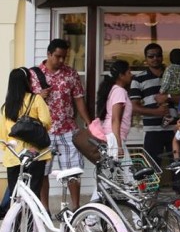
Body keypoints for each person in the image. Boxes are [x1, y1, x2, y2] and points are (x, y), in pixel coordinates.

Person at [31, 38, 92, 212]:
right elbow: (26, 102)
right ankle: (45, 209)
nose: (61, 60)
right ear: (49, 54)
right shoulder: (34, 74)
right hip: (44, 130)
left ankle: (76, 208)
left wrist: (89, 123)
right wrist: (39, 96)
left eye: (64, 57)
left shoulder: (70, 73)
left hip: (68, 129)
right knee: (43, 171)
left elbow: (79, 100)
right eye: (57, 56)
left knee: (73, 171)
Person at [0, 67, 52, 217]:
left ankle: (15, 229)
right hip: (35, 154)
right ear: (27, 81)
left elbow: (3, 137)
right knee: (34, 193)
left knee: (15, 195)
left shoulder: (6, 108)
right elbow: (47, 122)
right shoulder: (36, 99)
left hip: (13, 156)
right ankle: (30, 228)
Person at [89, 60, 134, 202]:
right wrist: (119, 145)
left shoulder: (115, 90)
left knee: (106, 179)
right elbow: (116, 119)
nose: (131, 75)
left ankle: (90, 220)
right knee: (129, 177)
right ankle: (138, 219)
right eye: (129, 72)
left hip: (112, 137)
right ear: (121, 75)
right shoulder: (119, 91)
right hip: (114, 139)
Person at [129, 43, 173, 167]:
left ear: (162, 57)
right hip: (152, 130)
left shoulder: (173, 75)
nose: (155, 58)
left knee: (178, 167)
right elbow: (134, 107)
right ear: (146, 59)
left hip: (175, 129)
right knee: (151, 167)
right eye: (151, 56)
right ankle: (153, 188)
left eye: (158, 55)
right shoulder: (138, 79)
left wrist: (169, 97)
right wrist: (156, 112)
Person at [159, 48, 180, 128]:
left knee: (166, 104)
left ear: (170, 59)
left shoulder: (169, 69)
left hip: (170, 91)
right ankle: (179, 118)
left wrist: (161, 92)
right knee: (178, 106)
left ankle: (168, 116)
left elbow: (166, 82)